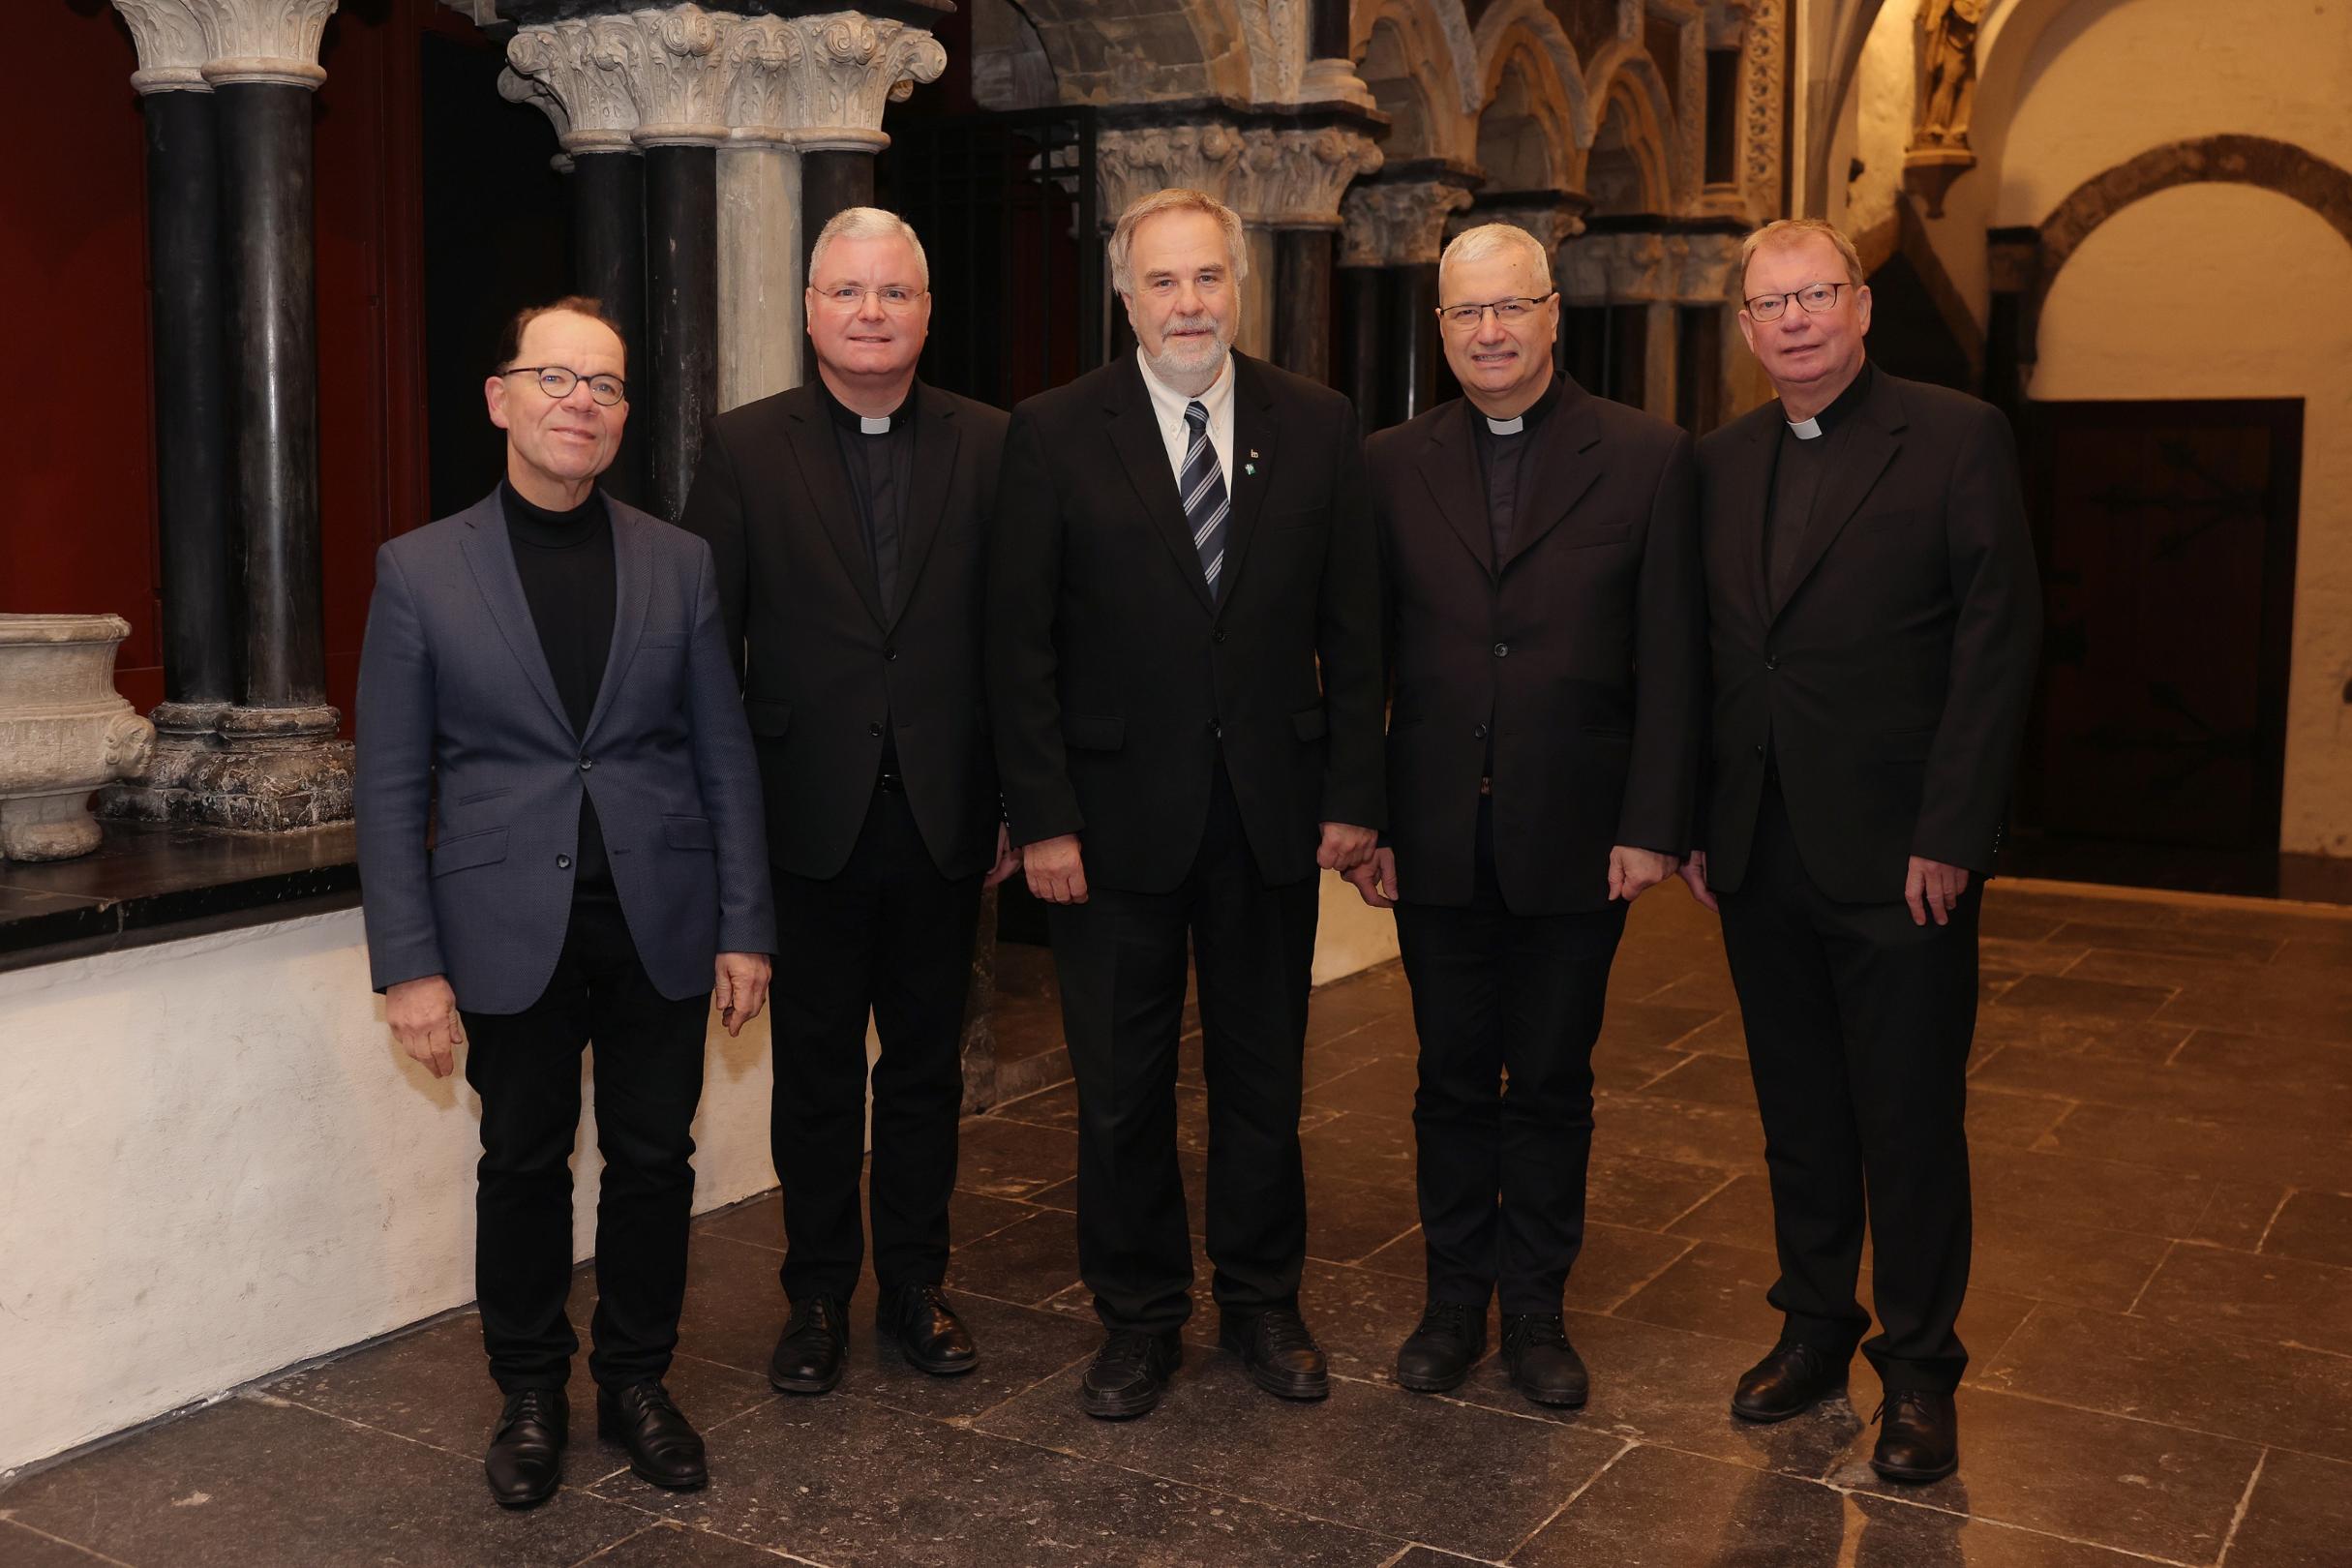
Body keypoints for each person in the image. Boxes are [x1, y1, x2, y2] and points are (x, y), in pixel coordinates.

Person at [355, 297, 774, 1509]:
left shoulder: (678, 561)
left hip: (661, 921)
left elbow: (723, 755)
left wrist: (748, 923)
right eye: (556, 377)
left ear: (624, 414)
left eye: (605, 385)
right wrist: (409, 967)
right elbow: (389, 786)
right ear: (501, 397)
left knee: (655, 1160)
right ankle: (531, 1391)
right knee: (523, 1162)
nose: (580, 401)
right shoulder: (421, 571)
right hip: (502, 932)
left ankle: (638, 1381)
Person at [986, 187, 1384, 1419]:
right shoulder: (1051, 433)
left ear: (1240, 285)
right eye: (1162, 283)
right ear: (1127, 297)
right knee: (1119, 1089)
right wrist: (1042, 817)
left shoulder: (1316, 425)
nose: (1188, 303)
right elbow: (1020, 648)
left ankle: (1265, 1303)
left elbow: (1356, 630)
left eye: (1208, 278)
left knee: (1266, 1078)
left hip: (1270, 813)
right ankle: (1140, 1317)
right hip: (1106, 831)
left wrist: (1353, 795)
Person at [1680, 218, 2040, 1483]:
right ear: (1742, 325)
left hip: (1902, 859)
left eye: (1815, 294)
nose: (1792, 319)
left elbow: (1995, 645)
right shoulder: (1717, 461)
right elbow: (1702, 656)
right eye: (1767, 302)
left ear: (1860, 306)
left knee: (1908, 1119)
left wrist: (1952, 832)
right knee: (1797, 1115)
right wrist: (1689, 821)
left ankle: (1921, 1370)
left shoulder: (1951, 437)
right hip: (1757, 850)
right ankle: (1813, 1327)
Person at [1345, 223, 1702, 1407]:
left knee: (1550, 1079)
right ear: (1439, 328)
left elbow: (1673, 659)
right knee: (1449, 1077)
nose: (1489, 332)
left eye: (1511, 308)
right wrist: (1367, 817)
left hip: (1576, 833)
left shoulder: (1649, 457)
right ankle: (1454, 1305)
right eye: (1465, 314)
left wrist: (1653, 821)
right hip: (1436, 828)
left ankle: (1538, 1314)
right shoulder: (1390, 462)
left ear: (1555, 315)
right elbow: (1362, 656)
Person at [681, 208, 1016, 1397]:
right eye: (847, 293)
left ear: (927, 311)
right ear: (811, 308)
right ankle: (817, 1294)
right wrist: (721, 837)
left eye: (893, 294)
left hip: (945, 815)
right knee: (816, 1073)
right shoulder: (743, 447)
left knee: (928, 1070)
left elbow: (1016, 643)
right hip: (800, 819)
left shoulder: (992, 444)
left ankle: (918, 1287)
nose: (870, 313)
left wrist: (1018, 802)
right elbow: (706, 647)